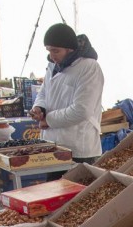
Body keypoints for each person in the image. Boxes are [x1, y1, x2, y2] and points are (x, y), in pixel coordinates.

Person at [28, 23, 104, 164]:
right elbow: (45, 92)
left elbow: (82, 110)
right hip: (52, 146)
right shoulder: (52, 65)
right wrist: (40, 108)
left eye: (56, 51)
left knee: (79, 186)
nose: (52, 56)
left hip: (78, 148)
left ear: (70, 49)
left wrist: (49, 120)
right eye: (49, 50)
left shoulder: (89, 67)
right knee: (51, 186)